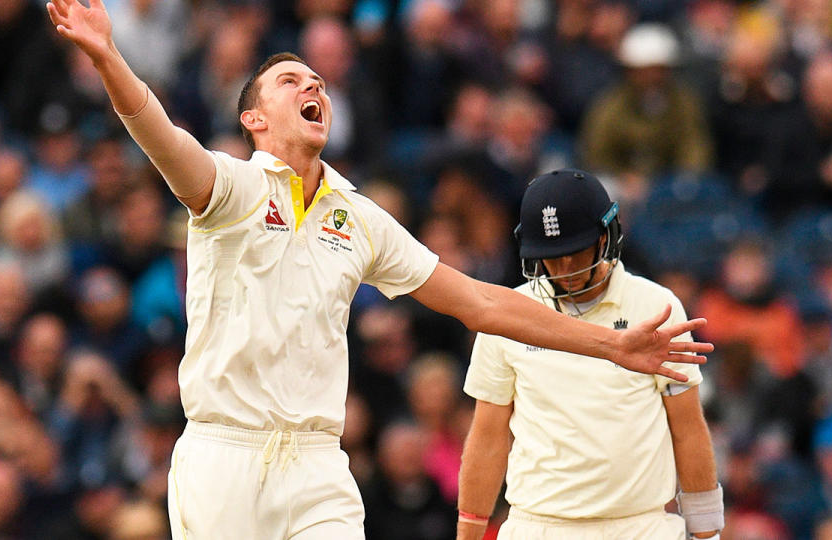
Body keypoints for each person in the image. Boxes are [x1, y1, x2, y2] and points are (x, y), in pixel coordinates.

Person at [45, 2, 713, 538]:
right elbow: (161, 136)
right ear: (252, 119)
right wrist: (109, 58)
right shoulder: (231, 190)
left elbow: (482, 305)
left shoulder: (356, 217)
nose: (311, 85)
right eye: (289, 81)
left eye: (318, 81)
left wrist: (615, 345)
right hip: (226, 454)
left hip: (316, 463)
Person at [457, 169, 723, 540]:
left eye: (575, 253)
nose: (565, 270)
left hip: (641, 527)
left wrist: (707, 530)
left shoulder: (656, 307)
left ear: (605, 237)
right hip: (538, 527)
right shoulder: (508, 315)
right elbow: (488, 436)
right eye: (552, 257)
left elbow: (688, 425)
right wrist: (468, 533)